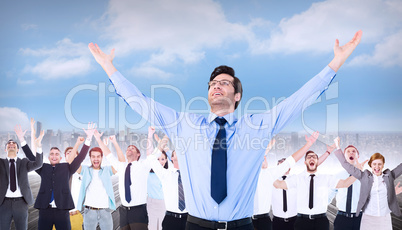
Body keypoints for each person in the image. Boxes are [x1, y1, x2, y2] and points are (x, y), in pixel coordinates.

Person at [89, 30, 362, 229]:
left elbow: (299, 100)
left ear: (238, 95)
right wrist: (108, 67)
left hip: (242, 226)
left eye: (225, 83)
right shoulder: (184, 124)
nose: (216, 85)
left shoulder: (258, 125)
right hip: (195, 225)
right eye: (212, 84)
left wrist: (335, 63)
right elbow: (139, 102)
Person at [25, 123, 94, 230]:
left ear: (60, 157)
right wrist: (23, 140)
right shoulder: (43, 168)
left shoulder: (67, 168)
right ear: (48, 157)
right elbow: (31, 157)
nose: (54, 155)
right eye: (52, 154)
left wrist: (89, 138)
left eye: (57, 154)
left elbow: (80, 158)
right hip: (45, 210)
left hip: (62, 210)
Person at [273, 150, 356, 230]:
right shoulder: (297, 178)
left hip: (321, 221)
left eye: (314, 157)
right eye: (309, 157)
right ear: (305, 162)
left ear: (317, 162)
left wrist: (359, 172)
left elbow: (345, 183)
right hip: (302, 221)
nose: (312, 158)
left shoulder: (326, 178)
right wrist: (268, 172)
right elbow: (279, 185)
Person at [333, 137, 402, 230]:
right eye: (374, 164)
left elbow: (400, 168)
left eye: (379, 164)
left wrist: (392, 193)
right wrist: (338, 147)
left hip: (383, 219)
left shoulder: (389, 176)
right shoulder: (363, 176)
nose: (377, 167)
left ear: (383, 165)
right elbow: (345, 164)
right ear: (370, 165)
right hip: (366, 219)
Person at [95, 130, 152, 230]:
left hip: (138, 211)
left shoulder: (143, 166)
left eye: (133, 148)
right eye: (128, 148)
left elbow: (150, 154)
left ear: (138, 154)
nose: (129, 149)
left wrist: (150, 134)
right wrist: (98, 139)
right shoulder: (121, 166)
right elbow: (109, 155)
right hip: (124, 211)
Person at [270, 141, 333, 230]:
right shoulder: (273, 182)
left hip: (295, 219)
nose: (283, 165)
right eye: (281, 163)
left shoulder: (297, 179)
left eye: (285, 163)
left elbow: (313, 165)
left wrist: (327, 153)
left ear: (290, 167)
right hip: (277, 221)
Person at [0, 124, 44, 230]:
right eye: (9, 144)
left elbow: (38, 164)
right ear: (5, 149)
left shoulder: (24, 162)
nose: (11, 144)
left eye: (14, 143)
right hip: (3, 203)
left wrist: (38, 145)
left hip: (21, 203)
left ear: (18, 149)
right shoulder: (0, 163)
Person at [76, 130, 117, 230]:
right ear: (90, 158)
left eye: (98, 156)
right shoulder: (85, 170)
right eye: (93, 156)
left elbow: (117, 165)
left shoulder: (107, 170)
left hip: (105, 211)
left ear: (102, 158)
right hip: (89, 211)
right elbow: (73, 162)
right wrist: (86, 140)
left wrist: (100, 141)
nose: (96, 159)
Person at [150, 132, 188, 230]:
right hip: (171, 219)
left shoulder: (191, 175)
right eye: (176, 152)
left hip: (189, 220)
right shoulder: (165, 174)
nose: (180, 152)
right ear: (171, 158)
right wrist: (166, 135)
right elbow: (152, 159)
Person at [332, 144, 367, 230]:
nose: (351, 153)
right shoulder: (337, 175)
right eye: (348, 151)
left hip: (359, 218)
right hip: (341, 218)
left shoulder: (365, 176)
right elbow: (330, 193)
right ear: (344, 156)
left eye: (353, 151)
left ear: (357, 156)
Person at [147, 126, 167, 230]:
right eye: (158, 159)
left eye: (163, 159)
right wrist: (150, 135)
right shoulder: (149, 174)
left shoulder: (168, 173)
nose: (160, 161)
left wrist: (166, 137)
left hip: (166, 204)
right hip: (152, 204)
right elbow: (150, 155)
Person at [63, 137, 86, 230]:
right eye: (68, 152)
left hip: (75, 216)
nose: (70, 153)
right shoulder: (58, 170)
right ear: (64, 156)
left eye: (72, 152)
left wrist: (77, 145)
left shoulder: (81, 171)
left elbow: (74, 163)